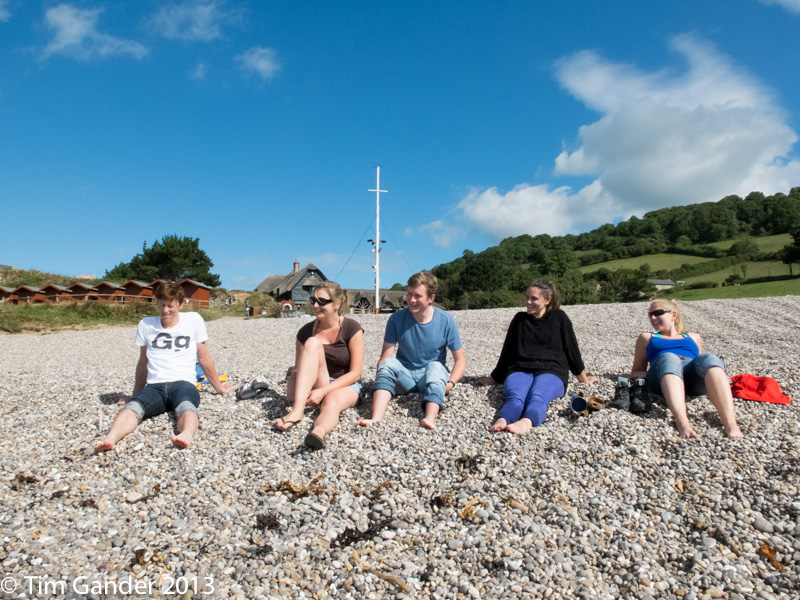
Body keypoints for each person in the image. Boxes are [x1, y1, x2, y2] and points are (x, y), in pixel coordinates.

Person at [94, 282, 232, 452]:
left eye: (170, 306)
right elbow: (143, 363)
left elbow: (203, 357)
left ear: (180, 304)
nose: (165, 310)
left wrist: (218, 387)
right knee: (132, 407)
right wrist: (135, 394)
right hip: (154, 386)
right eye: (161, 305)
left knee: (187, 407)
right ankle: (111, 438)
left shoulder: (194, 320)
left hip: (184, 383)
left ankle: (186, 434)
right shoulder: (146, 324)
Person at [477, 279, 596, 434]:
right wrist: (494, 378)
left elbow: (572, 350)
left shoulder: (559, 318)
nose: (528, 301)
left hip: (552, 372)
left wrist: (583, 378)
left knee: (538, 396)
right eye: (527, 297)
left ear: (547, 300)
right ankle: (504, 419)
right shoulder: (520, 319)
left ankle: (527, 421)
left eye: (534, 298)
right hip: (520, 369)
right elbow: (507, 352)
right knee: (515, 397)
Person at [356, 271, 465, 430]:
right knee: (388, 363)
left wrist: (450, 383)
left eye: (418, 296)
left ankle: (430, 418)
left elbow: (460, 359)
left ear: (431, 298)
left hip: (430, 379)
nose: (411, 300)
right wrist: (383, 379)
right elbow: (386, 356)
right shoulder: (396, 319)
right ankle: (376, 417)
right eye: (409, 294)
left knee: (436, 367)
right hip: (404, 378)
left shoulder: (446, 320)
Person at [630, 299, 743, 440]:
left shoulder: (694, 337)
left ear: (673, 315)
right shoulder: (647, 337)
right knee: (669, 357)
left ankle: (730, 423)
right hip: (663, 377)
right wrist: (663, 370)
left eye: (658, 313)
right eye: (650, 314)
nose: (653, 318)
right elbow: (636, 371)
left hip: (691, 381)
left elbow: (700, 365)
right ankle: (682, 422)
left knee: (710, 358)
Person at [274, 282, 365, 450]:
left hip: (346, 384)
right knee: (313, 342)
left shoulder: (352, 328)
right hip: (320, 380)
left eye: (322, 301)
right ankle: (297, 411)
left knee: (331, 401)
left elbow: (355, 373)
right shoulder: (305, 331)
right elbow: (298, 366)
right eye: (313, 300)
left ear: (337, 304)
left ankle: (318, 432)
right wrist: (293, 382)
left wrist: (323, 392)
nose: (316, 305)